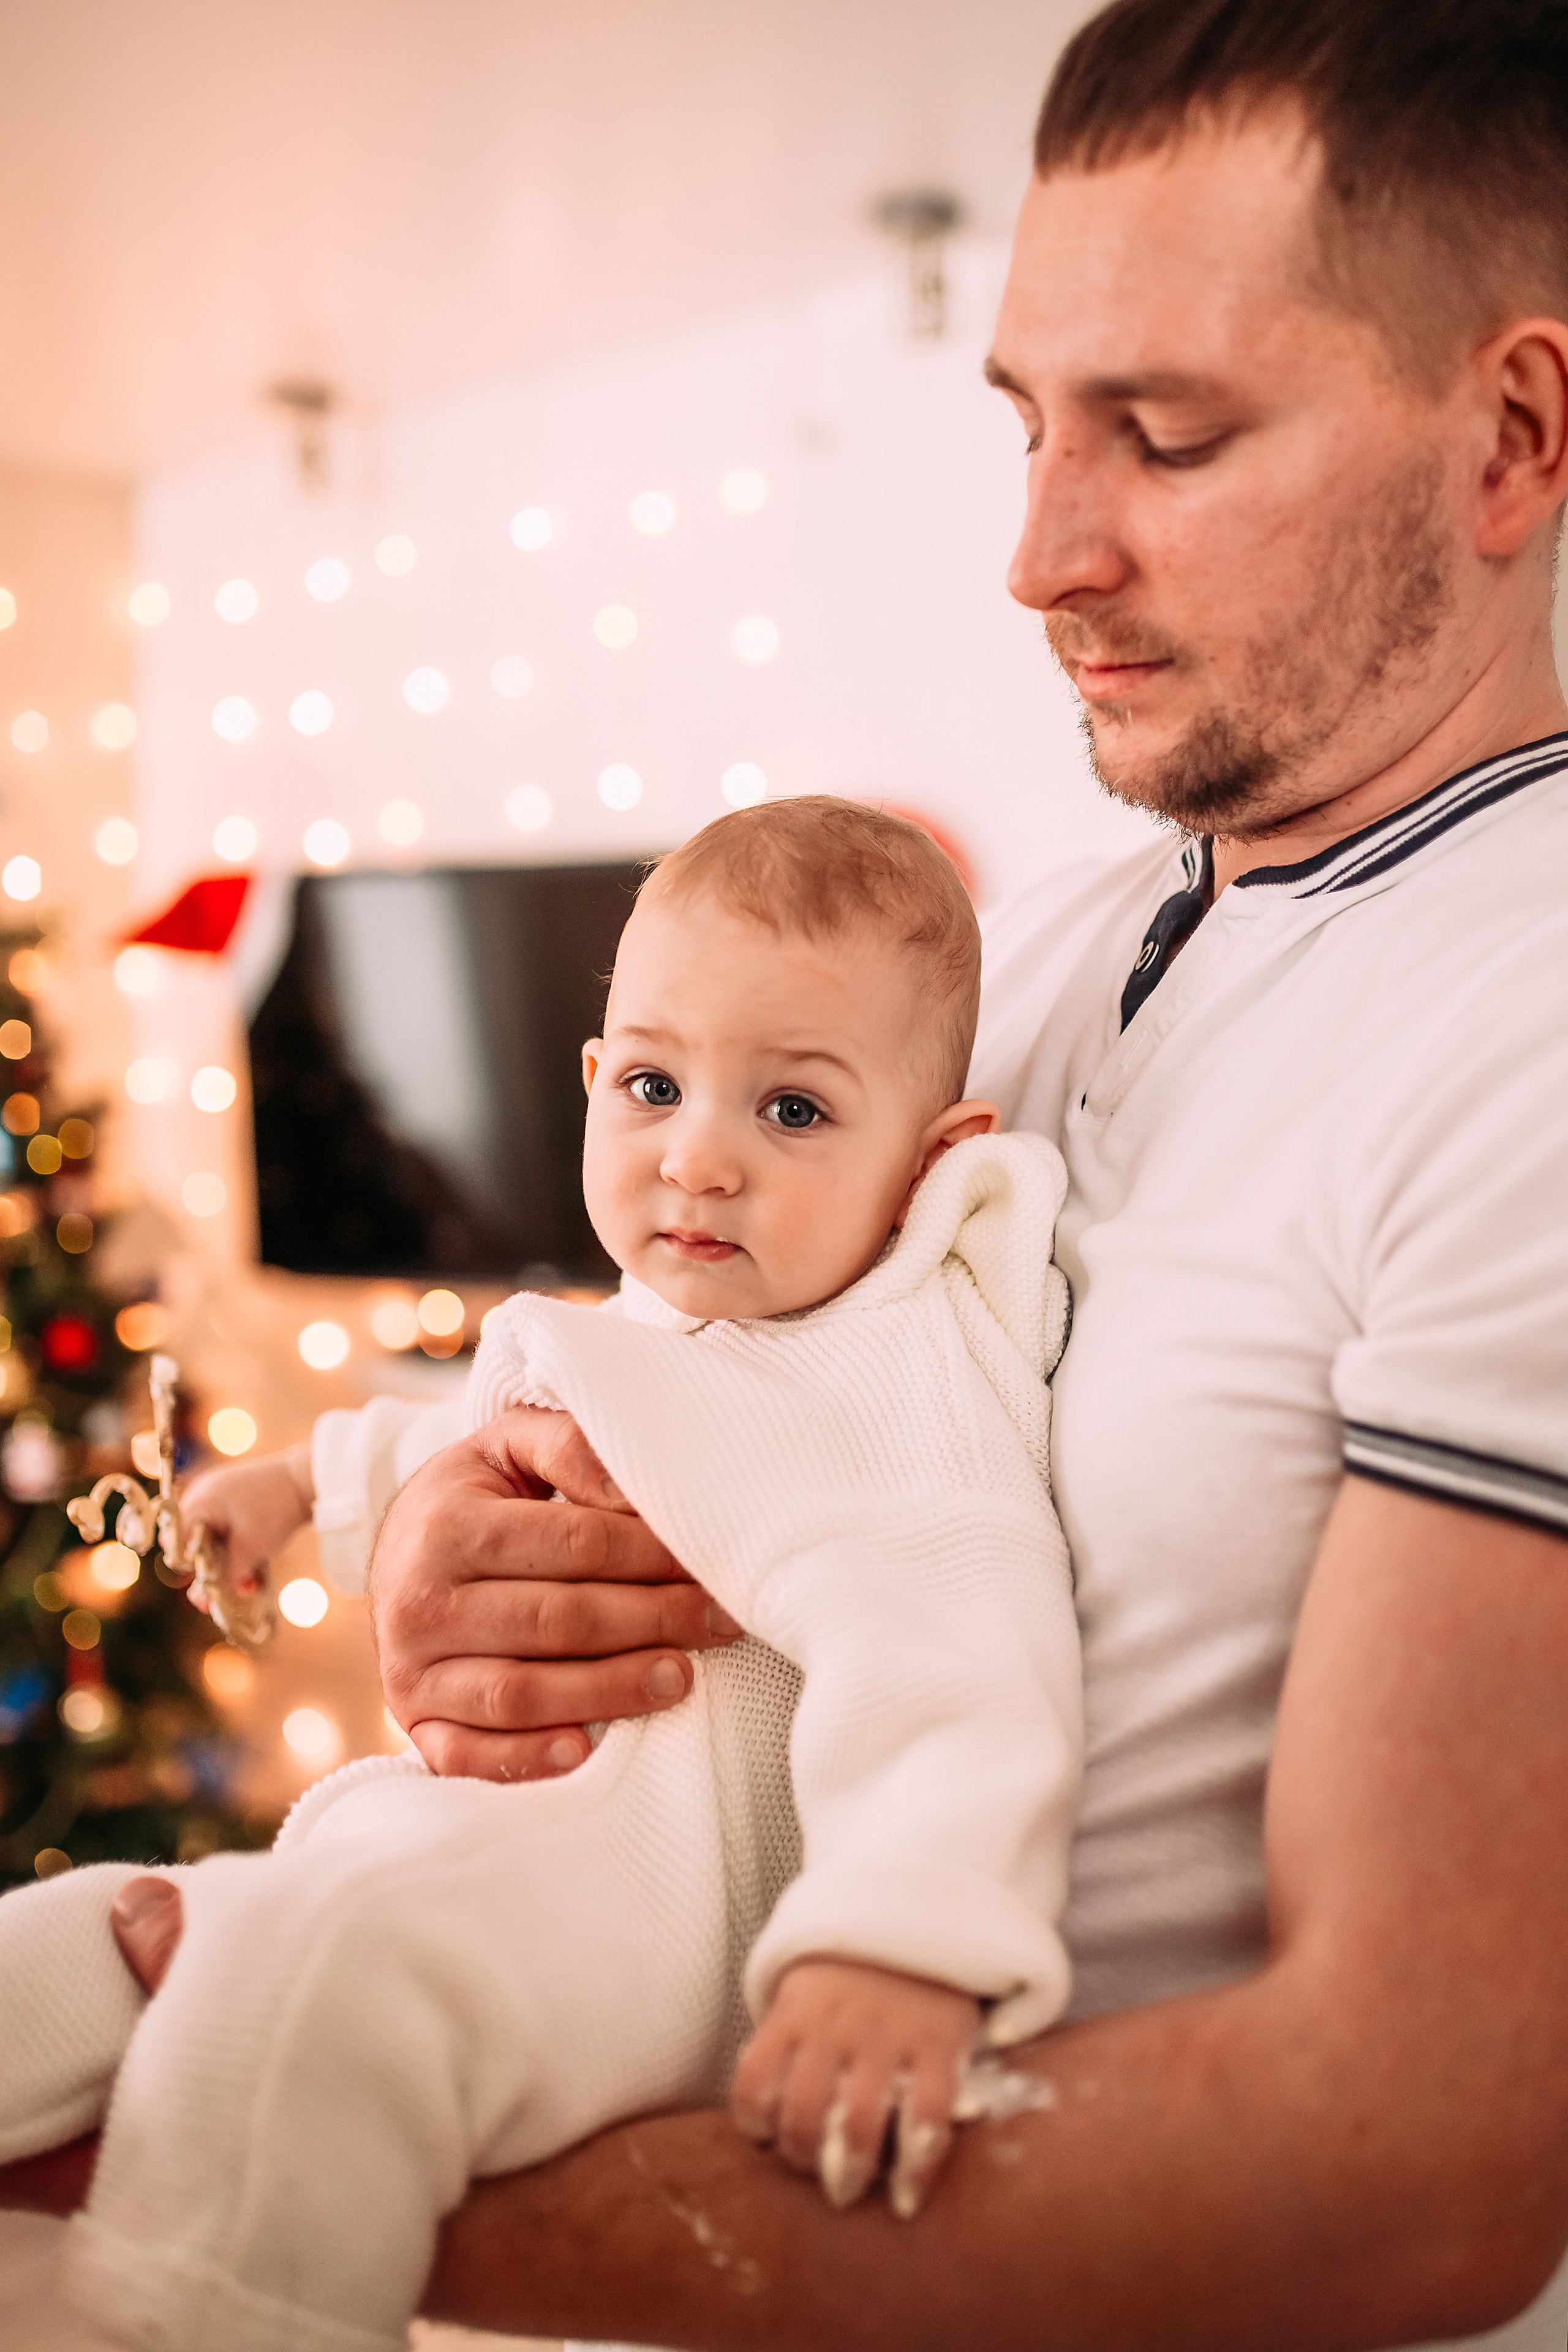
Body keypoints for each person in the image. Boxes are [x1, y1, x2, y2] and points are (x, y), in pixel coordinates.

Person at [8, 0, 1568, 2343]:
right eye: (1031, 424)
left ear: (1515, 436)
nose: (1043, 553)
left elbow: (1403, 2163)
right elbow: (745, 1416)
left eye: (1165, 434)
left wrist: (248, 2152)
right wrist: (470, 1549)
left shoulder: (1526, 1032)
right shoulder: (1029, 950)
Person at [0, 801, 1087, 2352]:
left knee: (306, 1979)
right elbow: (462, 1433)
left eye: (791, 1113)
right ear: (592, 1084)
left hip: (644, 1917)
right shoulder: (636, 1321)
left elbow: (959, 1659)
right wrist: (290, 1484)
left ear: (928, 1168)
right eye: (652, 1085)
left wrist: (898, 1938)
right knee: (103, 1939)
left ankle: (199, 2318)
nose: (696, 1159)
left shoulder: (887, 1378)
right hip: (486, 1848)